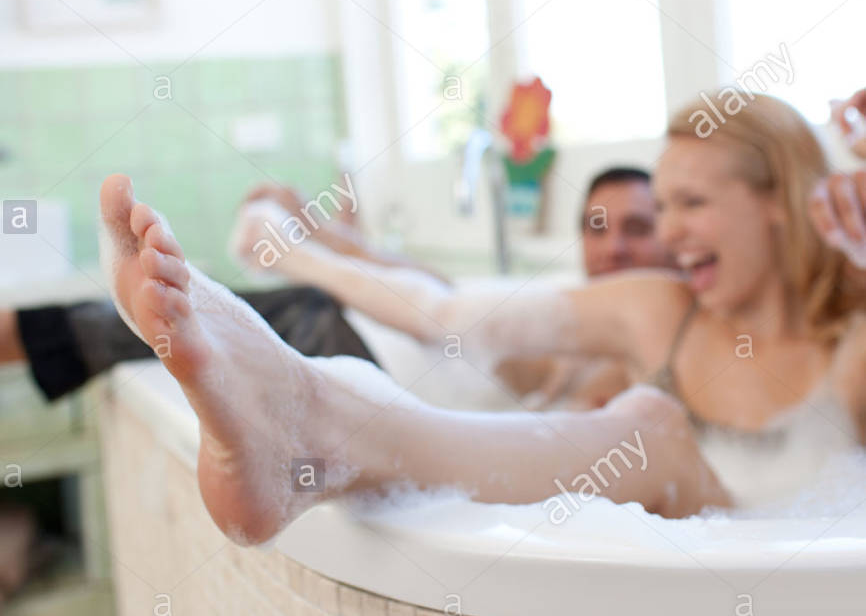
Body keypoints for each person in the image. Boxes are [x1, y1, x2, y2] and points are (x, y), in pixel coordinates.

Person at [221, 91, 866, 529]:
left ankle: (334, 438)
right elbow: (444, 311)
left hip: (764, 596)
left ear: (779, 202)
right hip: (661, 582)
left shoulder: (849, 346)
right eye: (662, 208)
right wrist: (291, 253)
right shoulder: (661, 309)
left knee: (651, 428)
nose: (668, 236)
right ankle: (326, 436)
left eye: (691, 205)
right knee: (645, 419)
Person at [0, 163, 664, 407]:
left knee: (291, 308)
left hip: (391, 385)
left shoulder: (639, 343)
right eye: (597, 227)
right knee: (229, 312)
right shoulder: (575, 299)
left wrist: (295, 247)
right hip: (381, 358)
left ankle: (39, 334)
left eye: (637, 228)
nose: (613, 245)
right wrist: (314, 227)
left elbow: (441, 314)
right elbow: (433, 283)